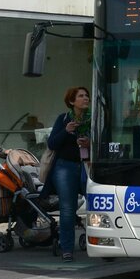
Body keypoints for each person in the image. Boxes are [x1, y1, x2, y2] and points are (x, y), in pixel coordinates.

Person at [47, 86, 90, 262]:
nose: (86, 98)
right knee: (67, 208)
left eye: (87, 95)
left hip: (87, 165)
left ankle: (104, 243)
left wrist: (90, 143)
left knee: (98, 205)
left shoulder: (95, 119)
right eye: (81, 96)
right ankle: (67, 249)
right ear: (72, 101)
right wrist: (66, 131)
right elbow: (52, 143)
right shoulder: (63, 119)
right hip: (65, 167)